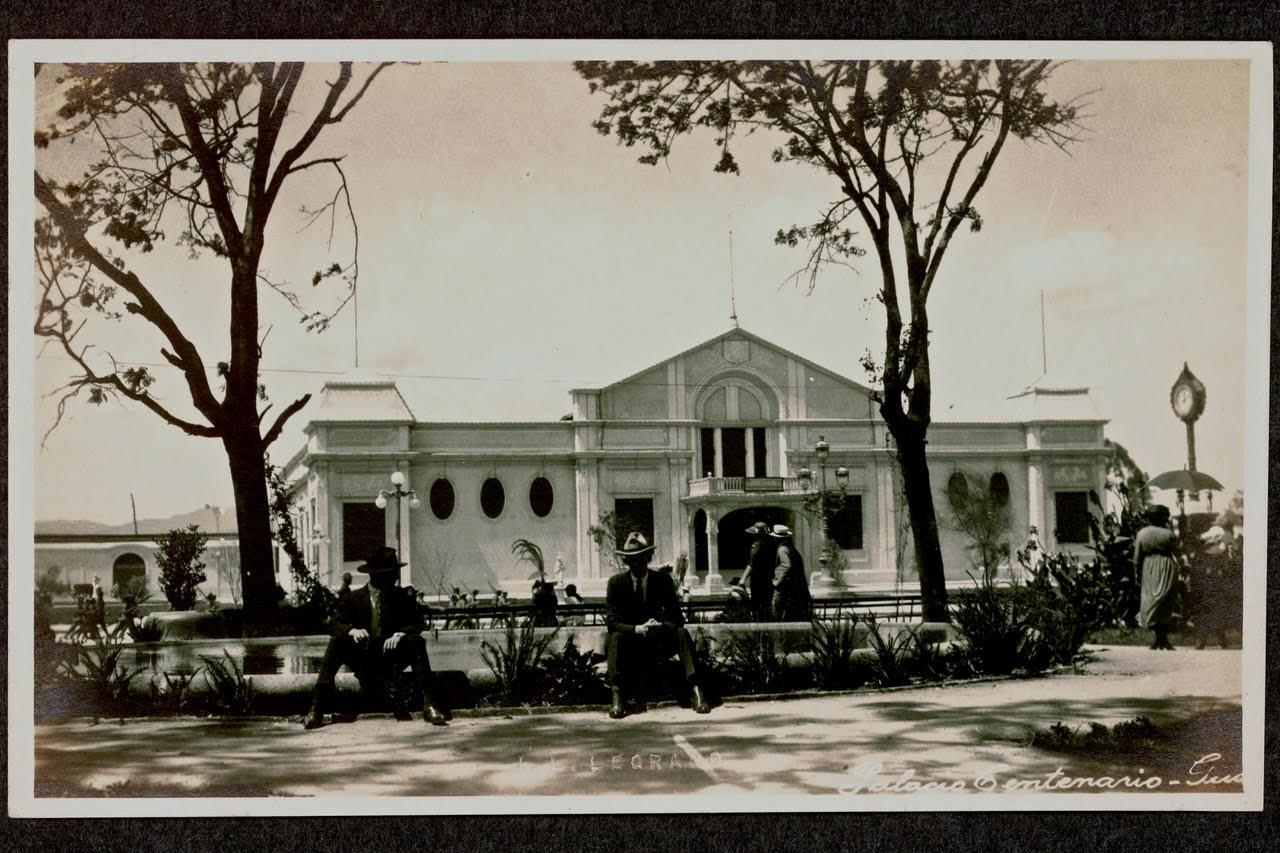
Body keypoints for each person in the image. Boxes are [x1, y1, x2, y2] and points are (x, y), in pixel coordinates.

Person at [303, 547, 447, 729]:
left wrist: (400, 634)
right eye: (390, 573)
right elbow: (333, 624)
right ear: (374, 575)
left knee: (416, 641)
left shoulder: (402, 596)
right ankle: (317, 708)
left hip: (391, 657)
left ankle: (430, 703)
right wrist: (351, 631)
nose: (394, 577)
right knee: (337, 642)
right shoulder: (353, 598)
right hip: (364, 658)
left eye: (394, 572)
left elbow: (418, 622)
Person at [605, 532, 711, 719]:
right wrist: (636, 629)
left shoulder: (662, 581)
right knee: (615, 637)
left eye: (641, 558)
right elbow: (612, 623)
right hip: (631, 644)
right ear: (626, 562)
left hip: (658, 643)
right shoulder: (616, 583)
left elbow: (677, 618)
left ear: (648, 558)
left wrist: (660, 626)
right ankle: (617, 695)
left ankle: (696, 690)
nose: (637, 563)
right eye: (632, 559)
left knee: (681, 633)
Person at [1135, 505, 1181, 650]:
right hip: (1166, 566)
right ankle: (1163, 639)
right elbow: (1177, 553)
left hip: (1149, 567)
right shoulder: (1168, 534)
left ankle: (1159, 639)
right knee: (1165, 602)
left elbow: (1137, 557)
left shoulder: (1142, 533)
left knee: (1152, 601)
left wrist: (1137, 572)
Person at [1191, 520, 1235, 649]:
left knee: (1204, 610)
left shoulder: (1202, 553)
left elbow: (1195, 570)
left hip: (1205, 584)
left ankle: (1202, 640)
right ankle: (1220, 639)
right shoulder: (1222, 553)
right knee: (1217, 609)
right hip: (1217, 584)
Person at [769, 524, 812, 622]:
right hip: (794, 587)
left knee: (778, 611)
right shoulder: (790, 548)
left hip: (785, 588)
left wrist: (777, 582)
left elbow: (787, 565)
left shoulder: (782, 549)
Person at [740, 521, 776, 620]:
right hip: (769, 580)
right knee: (766, 607)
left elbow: (751, 564)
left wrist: (742, 579)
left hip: (758, 581)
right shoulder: (771, 544)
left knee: (758, 608)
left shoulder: (757, 546)